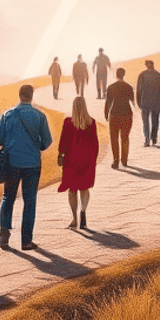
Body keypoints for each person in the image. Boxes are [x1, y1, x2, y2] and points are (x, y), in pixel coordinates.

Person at [0, 84, 53, 250]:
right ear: (31, 96)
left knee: (8, 197)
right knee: (30, 201)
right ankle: (26, 240)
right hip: (32, 163)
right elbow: (47, 141)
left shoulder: (7, 115)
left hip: (11, 162)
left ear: (19, 96)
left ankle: (4, 236)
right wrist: (36, 147)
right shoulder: (40, 116)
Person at [57, 96, 99, 230]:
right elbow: (95, 143)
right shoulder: (91, 122)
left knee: (72, 189)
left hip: (71, 159)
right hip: (87, 159)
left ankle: (74, 218)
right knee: (84, 187)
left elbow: (63, 141)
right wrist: (94, 159)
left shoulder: (68, 122)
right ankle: (83, 213)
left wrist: (60, 154)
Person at [103, 66, 135, 168]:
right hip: (127, 114)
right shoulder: (128, 87)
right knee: (125, 137)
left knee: (114, 138)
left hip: (114, 115)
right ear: (124, 75)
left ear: (116, 75)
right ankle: (124, 160)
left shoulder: (111, 87)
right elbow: (133, 102)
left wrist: (106, 114)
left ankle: (116, 160)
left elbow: (108, 103)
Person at [135, 59, 160, 147]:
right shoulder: (159, 75)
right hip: (156, 102)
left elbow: (138, 90)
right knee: (155, 120)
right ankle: (154, 138)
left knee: (145, 121)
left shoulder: (142, 75)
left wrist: (138, 102)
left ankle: (146, 139)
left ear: (146, 65)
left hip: (145, 101)